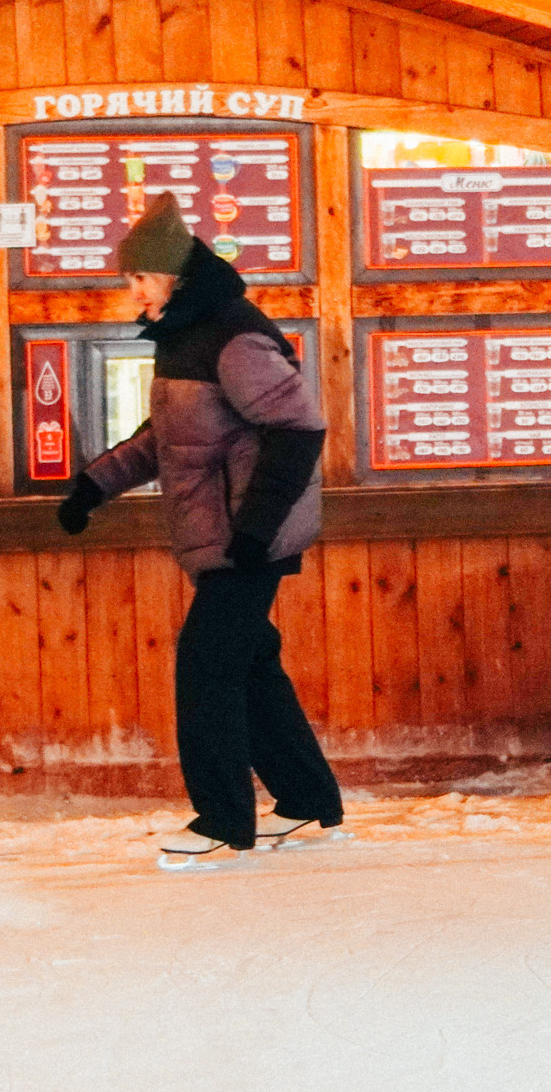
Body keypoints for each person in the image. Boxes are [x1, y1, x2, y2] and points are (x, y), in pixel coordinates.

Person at [54, 193, 344, 862]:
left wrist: (255, 529)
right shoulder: (186, 336)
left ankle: (221, 821)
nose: (133, 290)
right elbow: (168, 438)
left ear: (175, 275)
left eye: (140, 277)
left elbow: (300, 429)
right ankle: (308, 802)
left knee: (206, 664)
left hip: (248, 539)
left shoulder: (232, 336)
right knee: (249, 665)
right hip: (226, 537)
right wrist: (93, 486)